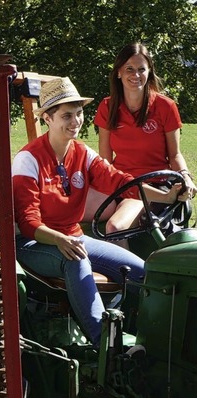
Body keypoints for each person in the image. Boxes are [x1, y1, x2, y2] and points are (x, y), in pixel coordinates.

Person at [12, 77, 188, 345]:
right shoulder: (28, 159)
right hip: (35, 242)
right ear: (47, 118)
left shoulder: (82, 153)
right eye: (67, 115)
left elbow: (120, 183)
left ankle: (150, 341)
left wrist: (167, 195)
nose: (76, 121)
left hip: (72, 237)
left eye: (79, 113)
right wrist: (60, 239)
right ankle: (105, 347)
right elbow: (27, 222)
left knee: (143, 271)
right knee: (76, 259)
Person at [85, 43, 196, 240]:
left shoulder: (165, 106)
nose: (135, 75)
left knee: (115, 227)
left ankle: (133, 271)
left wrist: (186, 177)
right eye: (129, 69)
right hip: (119, 182)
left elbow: (175, 154)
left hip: (152, 184)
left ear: (149, 72)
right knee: (65, 210)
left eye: (141, 69)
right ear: (119, 72)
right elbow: (105, 159)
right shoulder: (107, 106)